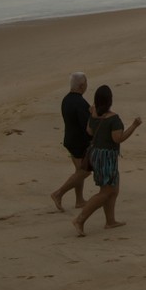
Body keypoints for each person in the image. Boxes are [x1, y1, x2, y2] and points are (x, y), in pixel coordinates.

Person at [73, 84, 143, 235]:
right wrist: (134, 126)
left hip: (97, 155)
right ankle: (80, 219)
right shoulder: (114, 119)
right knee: (105, 192)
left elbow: (89, 131)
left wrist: (93, 112)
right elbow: (118, 138)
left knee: (113, 190)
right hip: (107, 158)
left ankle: (110, 221)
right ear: (110, 100)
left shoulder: (93, 115)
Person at [49, 72, 92, 211]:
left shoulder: (66, 99)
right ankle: (58, 193)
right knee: (85, 171)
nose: (86, 85)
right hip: (79, 142)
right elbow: (87, 127)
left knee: (79, 170)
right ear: (81, 85)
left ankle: (79, 200)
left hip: (70, 139)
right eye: (86, 83)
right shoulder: (80, 103)